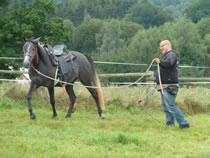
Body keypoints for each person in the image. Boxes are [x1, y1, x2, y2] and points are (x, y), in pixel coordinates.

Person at [154, 40, 190, 129]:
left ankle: (184, 124)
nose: (160, 48)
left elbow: (169, 64)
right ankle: (170, 125)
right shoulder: (167, 56)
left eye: (162, 46)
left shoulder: (172, 55)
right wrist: (157, 82)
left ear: (167, 45)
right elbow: (163, 70)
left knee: (170, 105)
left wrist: (160, 62)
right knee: (166, 107)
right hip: (164, 85)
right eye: (160, 46)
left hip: (170, 85)